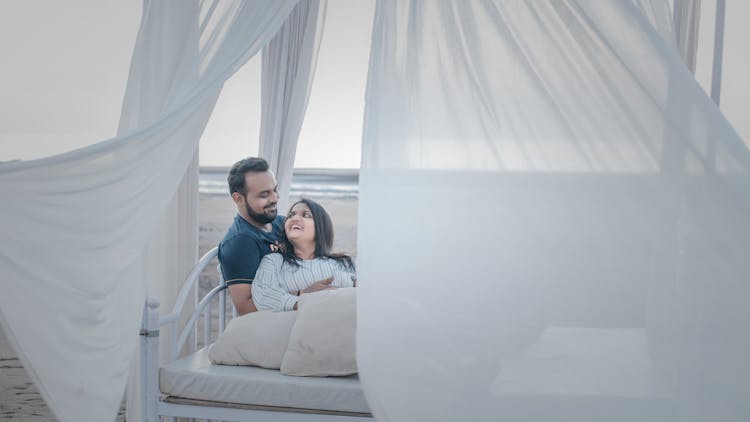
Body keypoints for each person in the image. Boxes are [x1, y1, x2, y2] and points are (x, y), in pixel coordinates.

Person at [252, 198, 356, 312]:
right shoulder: (274, 260)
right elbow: (262, 295)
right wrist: (303, 298)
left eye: (306, 215)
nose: (295, 218)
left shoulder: (346, 262)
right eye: (291, 215)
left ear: (321, 226)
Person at [218, 157, 284, 315]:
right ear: (238, 198)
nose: (275, 198)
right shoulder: (240, 242)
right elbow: (246, 309)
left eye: (275, 190)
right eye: (264, 195)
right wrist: (302, 295)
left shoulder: (281, 223)